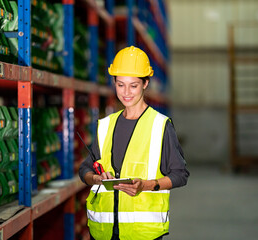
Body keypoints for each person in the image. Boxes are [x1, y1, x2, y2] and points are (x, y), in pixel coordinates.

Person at [79, 46, 189, 240]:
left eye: (133, 85)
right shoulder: (105, 125)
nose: (126, 92)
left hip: (142, 234)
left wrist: (146, 185)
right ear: (114, 82)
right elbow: (85, 169)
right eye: (120, 85)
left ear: (145, 83)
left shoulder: (160, 125)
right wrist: (96, 179)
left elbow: (180, 175)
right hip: (103, 232)